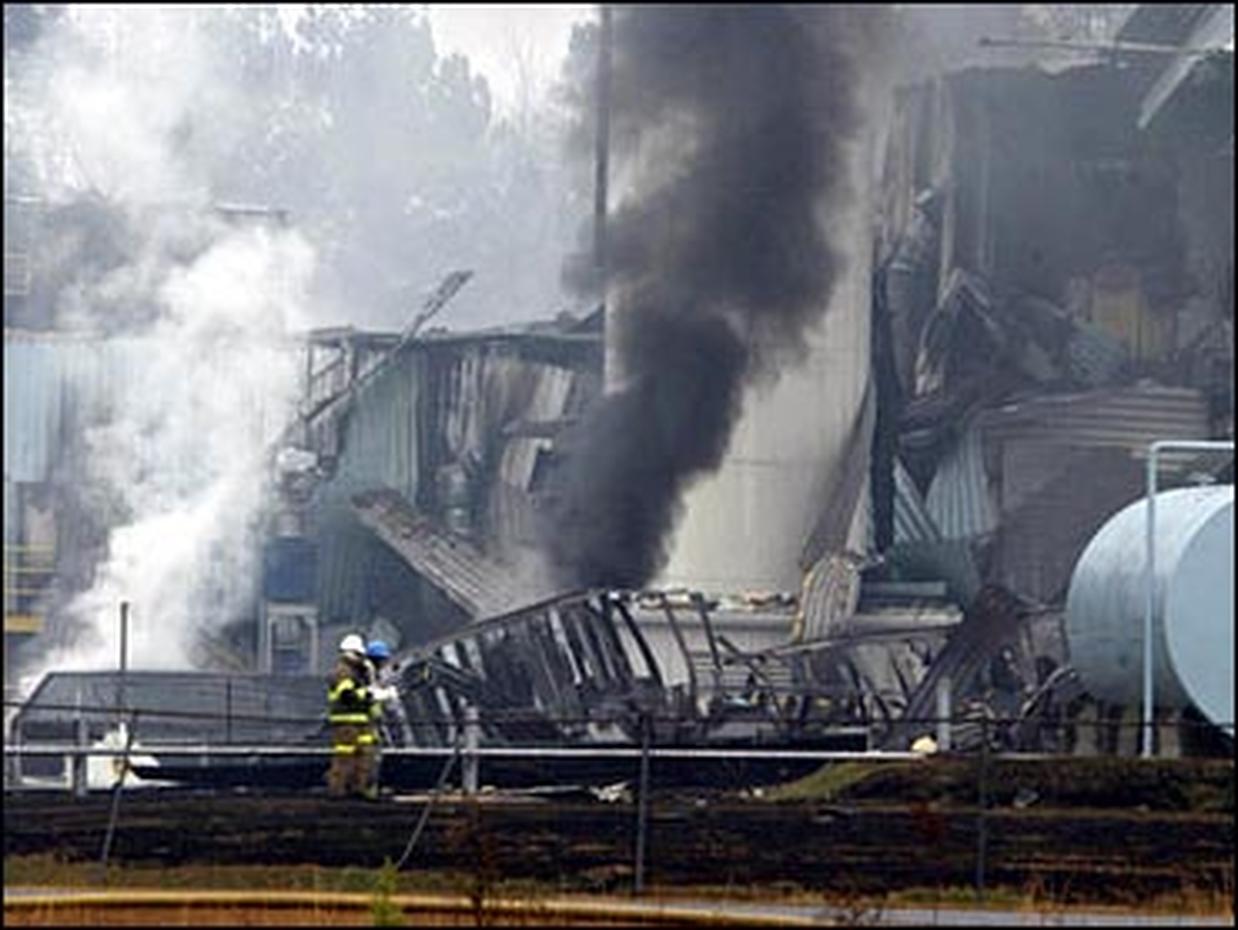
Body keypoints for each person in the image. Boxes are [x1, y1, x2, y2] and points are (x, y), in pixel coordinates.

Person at [325, 633, 373, 798]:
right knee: (344, 757)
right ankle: (337, 790)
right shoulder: (343, 672)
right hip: (346, 722)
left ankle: (358, 788)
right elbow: (347, 695)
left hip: (361, 722)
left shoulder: (358, 672)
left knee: (363, 756)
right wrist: (366, 694)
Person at [361, 639, 400, 799]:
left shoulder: (370, 674)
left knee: (374, 758)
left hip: (370, 723)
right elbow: (369, 695)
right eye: (382, 660)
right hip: (365, 724)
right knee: (371, 759)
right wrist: (387, 694)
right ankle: (369, 792)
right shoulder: (364, 673)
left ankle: (370, 790)